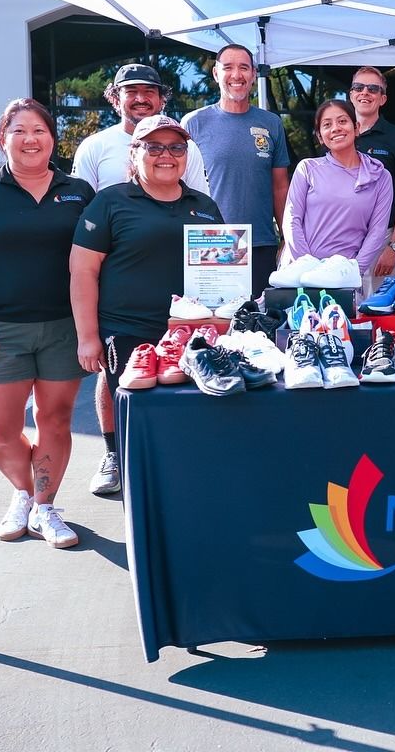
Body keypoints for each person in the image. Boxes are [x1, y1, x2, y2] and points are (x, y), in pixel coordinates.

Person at [0, 98, 95, 549]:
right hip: (0, 330)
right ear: (2, 139)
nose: (30, 139)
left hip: (64, 326)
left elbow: (94, 263)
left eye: (40, 131)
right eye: (19, 131)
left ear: (53, 139)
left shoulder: (79, 192)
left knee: (55, 419)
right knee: (1, 430)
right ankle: (23, 494)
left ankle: (46, 506)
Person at [72, 62, 208, 497]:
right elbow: (82, 270)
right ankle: (118, 458)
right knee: (128, 406)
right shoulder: (111, 202)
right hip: (125, 325)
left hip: (188, 329)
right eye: (154, 148)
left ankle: (179, 473)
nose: (166, 154)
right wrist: (88, 337)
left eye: (174, 147)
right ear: (134, 154)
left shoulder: (204, 205)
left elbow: (222, 269)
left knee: (186, 406)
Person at [180, 44, 290, 295]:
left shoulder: (271, 123)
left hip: (261, 241)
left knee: (260, 322)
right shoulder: (193, 123)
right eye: (228, 67)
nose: (236, 75)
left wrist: (287, 238)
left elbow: (280, 185)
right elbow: (181, 187)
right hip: (212, 240)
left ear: (253, 74)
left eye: (243, 67)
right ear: (216, 74)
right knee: (216, 322)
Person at [282, 98, 394, 273]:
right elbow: (291, 220)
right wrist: (307, 267)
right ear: (320, 136)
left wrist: (351, 272)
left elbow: (377, 231)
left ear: (356, 128)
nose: (336, 128)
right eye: (327, 124)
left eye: (342, 121)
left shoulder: (380, 176)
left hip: (346, 276)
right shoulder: (307, 169)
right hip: (300, 272)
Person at [72, 63, 208, 193]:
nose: (141, 99)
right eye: (131, 92)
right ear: (116, 100)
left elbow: (200, 203)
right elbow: (80, 207)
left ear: (162, 101)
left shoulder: (184, 147)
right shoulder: (94, 146)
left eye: (149, 91)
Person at [350, 66, 395, 277]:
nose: (365, 92)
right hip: (340, 238)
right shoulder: (336, 135)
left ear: (382, 99)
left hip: (381, 239)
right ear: (351, 94)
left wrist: (394, 246)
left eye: (373, 89)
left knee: (378, 309)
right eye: (359, 87)